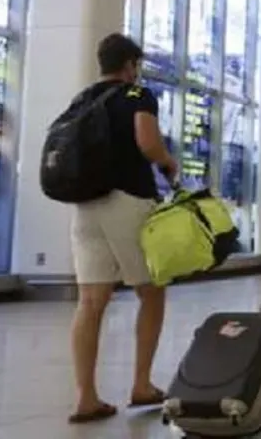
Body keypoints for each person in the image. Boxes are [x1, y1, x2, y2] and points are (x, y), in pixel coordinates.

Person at [67, 33, 179, 424]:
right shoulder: (136, 94)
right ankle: (142, 384)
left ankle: (86, 397)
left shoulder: (83, 99)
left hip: (86, 205)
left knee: (90, 302)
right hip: (127, 201)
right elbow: (147, 142)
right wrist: (168, 162)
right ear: (130, 65)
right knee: (152, 291)